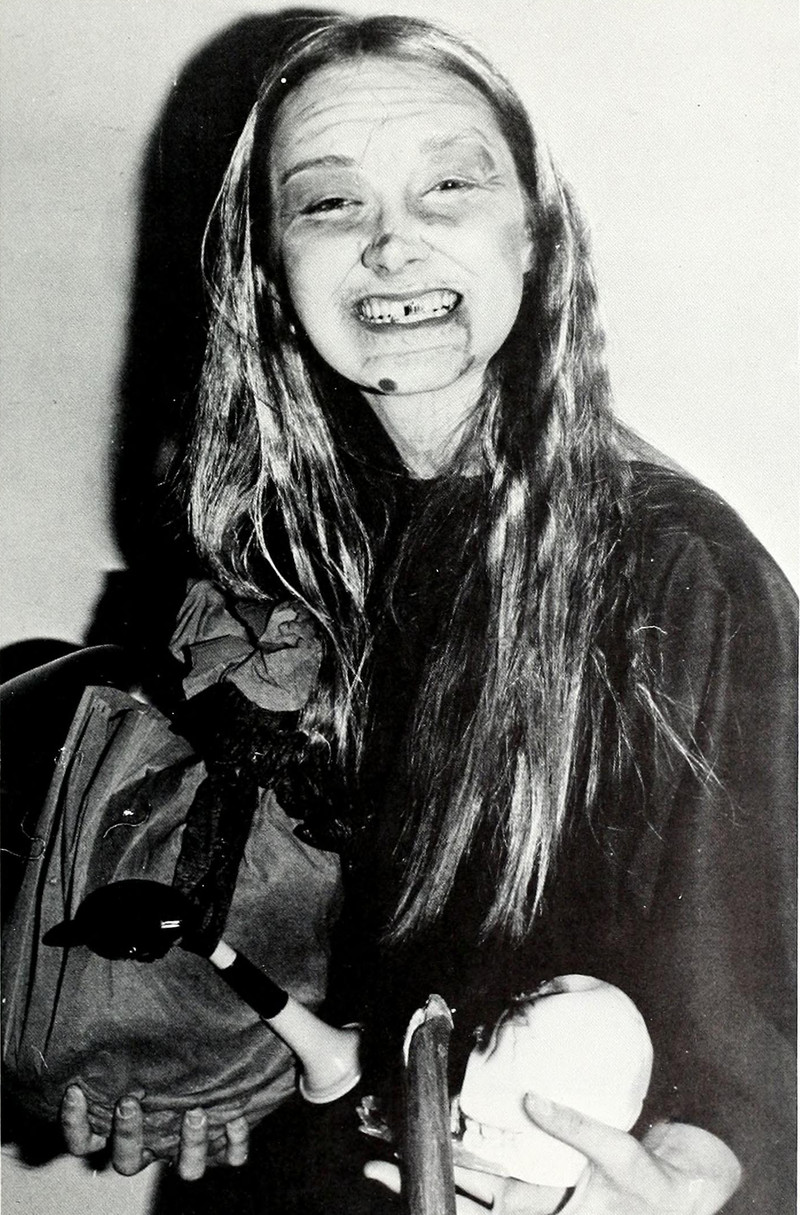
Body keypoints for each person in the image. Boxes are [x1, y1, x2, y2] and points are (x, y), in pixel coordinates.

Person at [59, 14, 796, 1214]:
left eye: (449, 186)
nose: (391, 243)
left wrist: (697, 1174)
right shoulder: (258, 560)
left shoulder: (675, 571)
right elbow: (259, 933)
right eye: (328, 203)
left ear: (534, 237)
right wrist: (174, 1046)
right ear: (269, 273)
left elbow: (751, 1020)